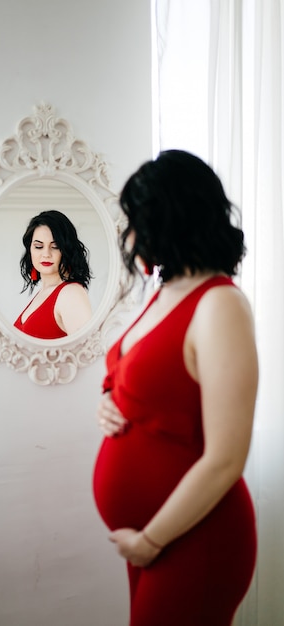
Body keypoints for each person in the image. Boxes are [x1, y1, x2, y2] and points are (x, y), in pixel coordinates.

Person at [92, 150, 258, 625]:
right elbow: (134, 378)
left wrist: (151, 540)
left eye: (136, 221)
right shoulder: (166, 291)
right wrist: (108, 401)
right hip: (154, 536)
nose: (129, 235)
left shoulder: (220, 305)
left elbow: (226, 457)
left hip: (194, 537)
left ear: (171, 218)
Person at [14, 210, 93, 339]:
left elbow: (87, 354)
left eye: (55, 246)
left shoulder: (71, 294)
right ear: (30, 250)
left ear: (67, 250)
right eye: (38, 246)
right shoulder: (43, 293)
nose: (46, 254)